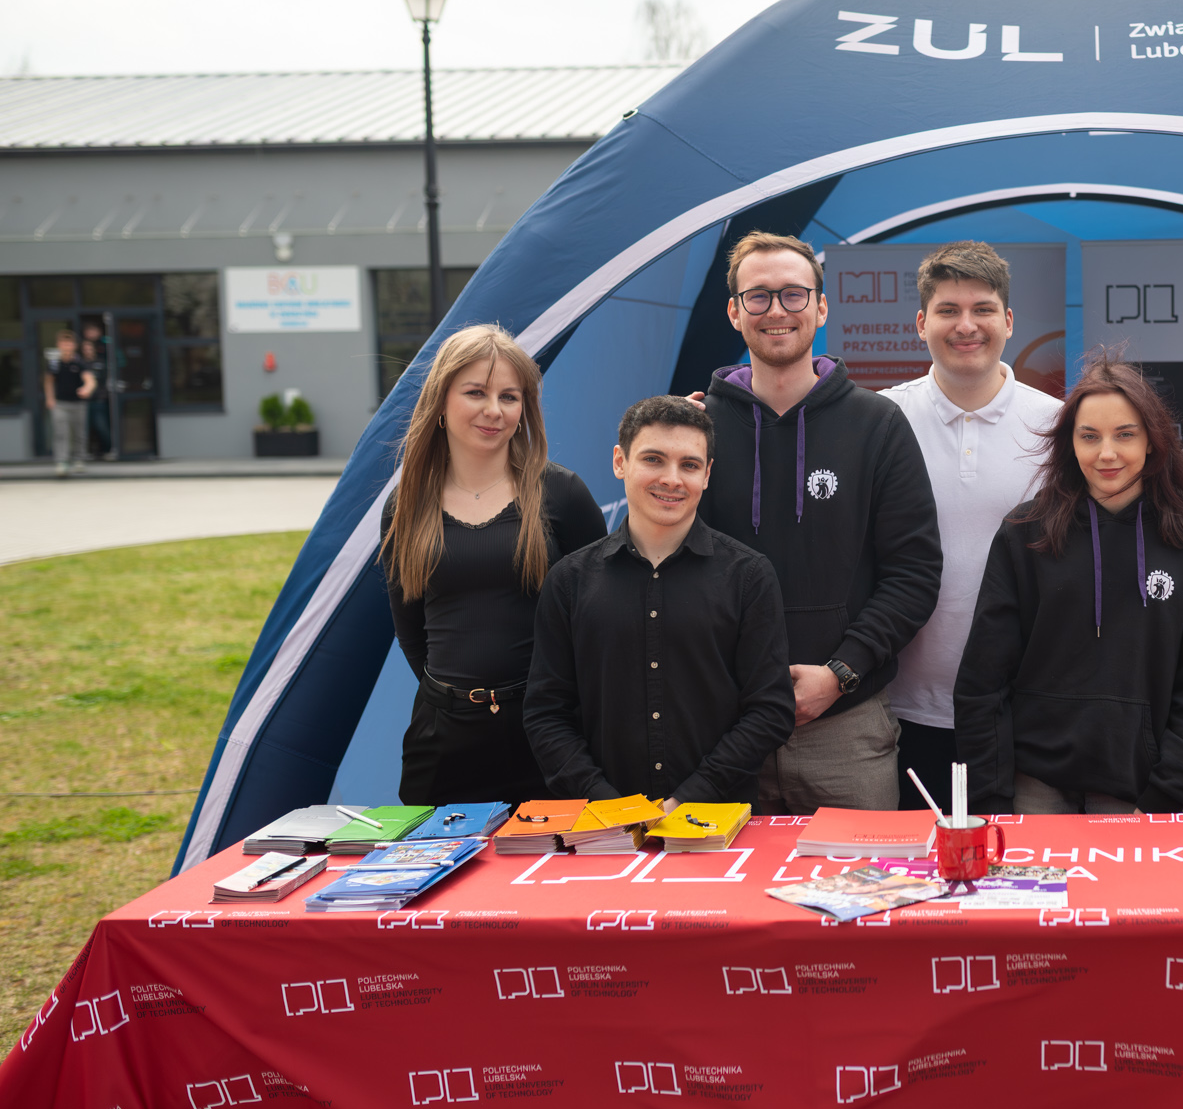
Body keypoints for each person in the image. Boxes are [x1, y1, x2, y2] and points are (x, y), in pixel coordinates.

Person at [700, 232, 941, 814]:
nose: (776, 310)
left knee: (864, 876)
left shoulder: (877, 424)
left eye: (793, 294)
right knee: (725, 878)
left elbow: (914, 573)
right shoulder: (697, 430)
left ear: (822, 306)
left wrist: (840, 673)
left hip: (847, 728)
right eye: (758, 296)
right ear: (734, 312)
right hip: (723, 726)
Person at [954, 356, 1183, 815]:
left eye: (1125, 434)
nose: (1107, 453)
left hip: (1141, 792)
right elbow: (983, 679)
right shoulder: (1025, 533)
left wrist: (1165, 794)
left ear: (1151, 441)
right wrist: (992, 796)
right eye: (1090, 436)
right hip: (1033, 786)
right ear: (1070, 443)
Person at [524, 396, 795, 807]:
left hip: (716, 820)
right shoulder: (569, 581)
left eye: (689, 465)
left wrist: (687, 799)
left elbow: (770, 710)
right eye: (653, 459)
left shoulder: (749, 576)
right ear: (620, 462)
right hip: (602, 825)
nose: (672, 479)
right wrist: (608, 804)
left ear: (707, 474)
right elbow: (546, 713)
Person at [379, 324, 608, 806]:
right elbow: (412, 632)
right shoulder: (406, 505)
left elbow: (602, 617)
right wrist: (460, 701)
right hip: (442, 743)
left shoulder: (562, 494)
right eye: (475, 393)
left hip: (547, 738)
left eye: (509, 397)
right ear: (441, 402)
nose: (494, 410)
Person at [879, 241, 1063, 811]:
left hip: (1023, 711)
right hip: (899, 710)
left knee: (1012, 866)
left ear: (1008, 321)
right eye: (948, 310)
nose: (966, 326)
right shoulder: (879, 419)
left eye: (982, 309)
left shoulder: (1057, 427)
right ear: (921, 323)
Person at [42, 329, 95, 477]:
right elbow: (48, 382)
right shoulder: (54, 363)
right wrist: (50, 398)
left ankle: (79, 460)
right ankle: (62, 462)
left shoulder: (80, 363)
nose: (66, 346)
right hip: (60, 404)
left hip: (78, 404)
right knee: (61, 433)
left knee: (79, 433)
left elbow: (90, 380)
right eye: (64, 343)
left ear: (74, 345)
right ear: (59, 345)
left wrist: (87, 389)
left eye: (69, 343)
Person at [79, 320, 113, 460]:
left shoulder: (101, 362)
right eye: (85, 349)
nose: (87, 351)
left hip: (99, 400)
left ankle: (106, 450)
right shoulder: (80, 364)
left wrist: (103, 394)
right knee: (85, 429)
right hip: (83, 401)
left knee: (101, 426)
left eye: (89, 348)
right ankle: (87, 452)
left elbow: (106, 380)